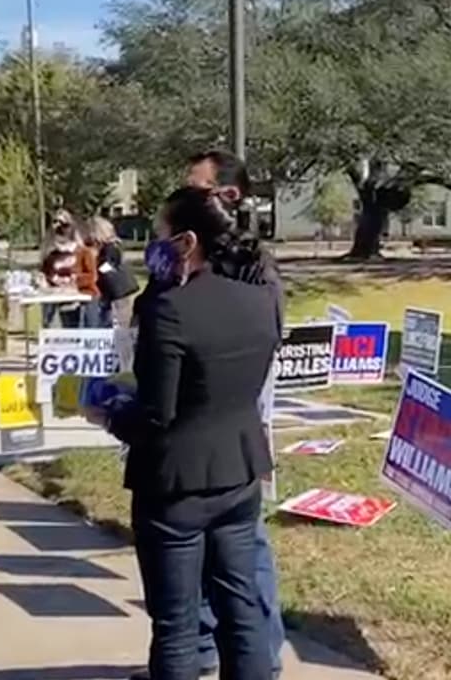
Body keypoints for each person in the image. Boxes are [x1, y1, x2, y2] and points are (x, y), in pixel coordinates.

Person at [103, 186, 280, 680]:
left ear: (185, 241)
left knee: (178, 624)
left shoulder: (170, 310)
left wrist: (111, 414)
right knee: (241, 608)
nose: (151, 245)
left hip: (174, 486)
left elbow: (158, 410)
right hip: (239, 473)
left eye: (158, 234)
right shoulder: (260, 300)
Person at [176, 149, 287, 680]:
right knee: (191, 559)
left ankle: (261, 655)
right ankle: (198, 648)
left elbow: (264, 339)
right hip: (183, 433)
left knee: (247, 553)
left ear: (229, 196)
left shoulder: (252, 264)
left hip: (235, 427)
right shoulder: (177, 256)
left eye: (195, 189)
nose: (185, 198)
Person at [88, 216, 138, 329]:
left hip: (119, 292)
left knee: (120, 323)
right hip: (116, 291)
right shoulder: (112, 246)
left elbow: (108, 265)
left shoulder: (111, 247)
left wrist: (97, 268)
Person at [40, 209, 84, 328]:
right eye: (55, 222)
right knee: (50, 326)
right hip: (51, 294)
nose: (58, 226)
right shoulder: (49, 247)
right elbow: (44, 269)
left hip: (71, 294)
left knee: (70, 326)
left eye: (63, 223)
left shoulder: (78, 248)